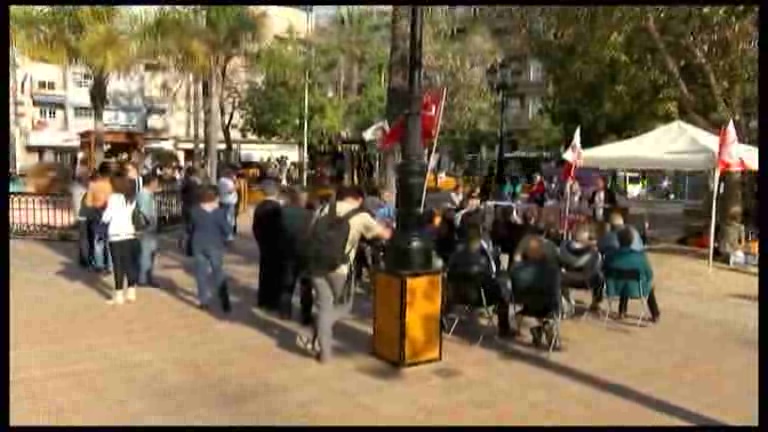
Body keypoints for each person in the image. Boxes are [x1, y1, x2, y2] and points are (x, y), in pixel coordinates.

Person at [300, 185, 392, 363]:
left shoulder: (323, 209)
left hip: (316, 265)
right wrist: (388, 230)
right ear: (357, 198)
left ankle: (325, 354)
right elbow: (384, 235)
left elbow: (310, 233)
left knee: (324, 306)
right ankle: (317, 331)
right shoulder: (361, 216)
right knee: (344, 307)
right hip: (339, 269)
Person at [604, 227, 660, 322]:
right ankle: (655, 314)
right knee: (648, 286)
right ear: (632, 241)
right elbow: (649, 274)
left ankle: (622, 311)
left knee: (623, 279)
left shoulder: (611, 256)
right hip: (637, 290)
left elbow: (604, 270)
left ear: (618, 241)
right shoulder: (640, 257)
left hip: (614, 289)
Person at [189, 186, 232, 311]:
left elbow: (190, 228)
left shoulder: (194, 211)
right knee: (218, 272)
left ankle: (203, 300)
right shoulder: (219, 212)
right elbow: (227, 229)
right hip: (215, 244)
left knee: (201, 274)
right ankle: (224, 300)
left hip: (198, 244)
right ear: (215, 198)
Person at [101, 174, 141, 305]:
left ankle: (119, 295)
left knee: (118, 265)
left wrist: (102, 217)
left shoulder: (113, 198)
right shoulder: (131, 197)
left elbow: (107, 216)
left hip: (116, 235)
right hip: (130, 233)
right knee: (130, 264)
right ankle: (131, 291)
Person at [279, 186, 314, 322]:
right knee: (306, 285)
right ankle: (306, 315)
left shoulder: (282, 212)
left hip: (287, 252)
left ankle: (285, 312)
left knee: (287, 283)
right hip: (306, 253)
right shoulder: (310, 214)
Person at [251, 180, 286, 311]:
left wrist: (260, 240)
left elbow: (255, 227)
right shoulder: (278, 208)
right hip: (277, 244)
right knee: (277, 273)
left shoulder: (260, 207)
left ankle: (263, 299)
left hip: (264, 244)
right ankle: (274, 301)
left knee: (264, 271)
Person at [559, 224, 604, 313]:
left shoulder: (564, 247)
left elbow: (561, 262)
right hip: (586, 281)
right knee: (600, 276)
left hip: (566, 279)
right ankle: (596, 302)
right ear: (586, 235)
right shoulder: (593, 252)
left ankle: (566, 300)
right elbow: (596, 267)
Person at [84, 163, 114, 273]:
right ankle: (110, 266)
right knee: (110, 241)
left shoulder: (93, 185)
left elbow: (88, 203)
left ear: (100, 173)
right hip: (111, 214)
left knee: (98, 241)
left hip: (97, 214)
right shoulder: (113, 186)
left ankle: (99, 265)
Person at [137, 174, 160, 287]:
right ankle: (143, 278)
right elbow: (144, 213)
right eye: (156, 182)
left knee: (150, 252)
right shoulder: (144, 195)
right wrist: (150, 223)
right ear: (151, 183)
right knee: (146, 253)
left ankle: (147, 276)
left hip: (150, 229)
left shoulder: (148, 194)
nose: (157, 185)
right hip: (147, 230)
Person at [218, 168, 239, 241]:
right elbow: (230, 191)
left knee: (224, 218)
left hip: (222, 201)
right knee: (229, 219)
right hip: (229, 202)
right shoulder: (228, 182)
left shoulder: (221, 180)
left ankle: (223, 234)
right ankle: (228, 235)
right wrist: (236, 183)